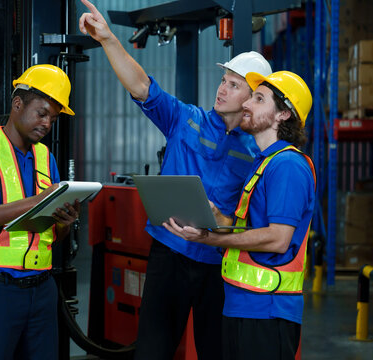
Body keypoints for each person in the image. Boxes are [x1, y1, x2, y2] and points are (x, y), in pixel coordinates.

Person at [79, 1, 272, 359]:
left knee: (216, 351)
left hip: (218, 264)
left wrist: (225, 222)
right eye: (223, 80)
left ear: (252, 99)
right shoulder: (186, 119)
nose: (222, 89)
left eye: (233, 85)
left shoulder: (258, 152)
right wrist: (107, 39)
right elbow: (141, 86)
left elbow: (259, 220)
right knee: (153, 350)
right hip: (169, 254)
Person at [164, 70, 316, 360]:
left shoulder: (287, 166)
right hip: (240, 304)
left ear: (283, 115)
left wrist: (208, 239)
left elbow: (278, 239)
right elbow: (250, 227)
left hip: (267, 311)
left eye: (259, 99)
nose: (247, 104)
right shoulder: (264, 163)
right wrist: (217, 220)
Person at [0, 64, 81, 360]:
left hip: (42, 291)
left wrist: (64, 223)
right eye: (42, 112)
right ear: (18, 104)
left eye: (53, 118)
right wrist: (39, 201)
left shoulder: (45, 157)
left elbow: (49, 237)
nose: (47, 123)